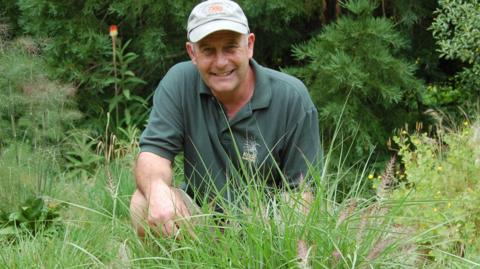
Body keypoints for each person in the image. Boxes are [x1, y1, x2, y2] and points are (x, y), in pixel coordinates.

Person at [130, 0, 320, 237]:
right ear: (192, 52)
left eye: (230, 48)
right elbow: (153, 154)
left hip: (269, 229)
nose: (221, 62)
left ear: (249, 45)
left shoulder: (292, 97)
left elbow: (302, 194)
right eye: (208, 50)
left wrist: (270, 244)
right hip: (202, 221)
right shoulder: (179, 82)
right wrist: (157, 188)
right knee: (142, 201)